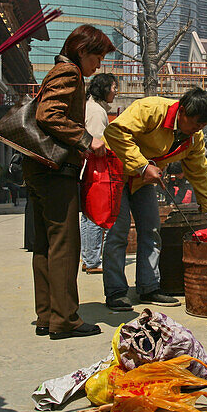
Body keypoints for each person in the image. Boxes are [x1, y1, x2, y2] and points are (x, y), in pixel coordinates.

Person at [25, 24, 113, 341]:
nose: (98, 66)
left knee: (45, 244)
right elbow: (49, 114)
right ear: (82, 50)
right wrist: (85, 139)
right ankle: (65, 319)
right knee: (64, 243)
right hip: (55, 169)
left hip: (38, 169)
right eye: (98, 57)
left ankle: (47, 315)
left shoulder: (58, 70)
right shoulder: (70, 72)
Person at [102, 87, 207, 310]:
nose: (198, 130)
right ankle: (116, 291)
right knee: (118, 232)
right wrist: (142, 166)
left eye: (203, 126)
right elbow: (115, 133)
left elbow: (200, 174)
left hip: (143, 180)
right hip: (115, 173)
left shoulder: (194, 138)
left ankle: (149, 287)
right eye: (196, 124)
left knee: (151, 230)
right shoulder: (150, 109)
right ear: (183, 112)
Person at [79, 72, 117, 275]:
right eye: (113, 87)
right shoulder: (95, 111)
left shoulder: (93, 107)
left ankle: (88, 258)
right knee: (95, 214)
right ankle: (92, 260)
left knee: (88, 216)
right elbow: (95, 142)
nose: (115, 91)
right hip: (94, 168)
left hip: (88, 168)